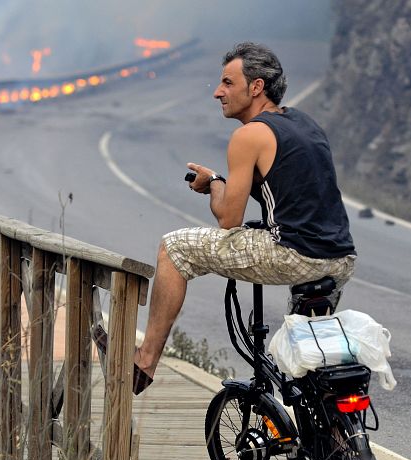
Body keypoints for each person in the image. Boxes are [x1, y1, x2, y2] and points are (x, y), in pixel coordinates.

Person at [132, 42, 357, 394]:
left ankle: (143, 362)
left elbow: (229, 220)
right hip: (341, 257)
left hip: (294, 254)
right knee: (311, 364)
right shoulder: (305, 123)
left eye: (227, 83)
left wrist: (214, 184)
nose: (218, 93)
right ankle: (336, 435)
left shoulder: (248, 135)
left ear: (256, 87)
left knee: (175, 249)